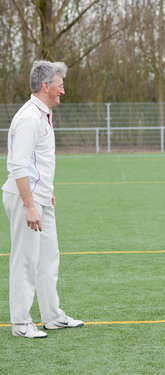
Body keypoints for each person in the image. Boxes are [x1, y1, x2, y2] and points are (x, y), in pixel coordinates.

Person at [2, 60, 83, 338]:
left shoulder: (43, 114)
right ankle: (21, 324)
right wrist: (30, 205)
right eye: (60, 86)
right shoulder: (29, 118)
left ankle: (53, 316)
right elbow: (17, 166)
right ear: (46, 86)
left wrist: (46, 193)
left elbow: (38, 162)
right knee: (25, 260)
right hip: (26, 200)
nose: (63, 91)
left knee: (49, 258)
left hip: (40, 198)